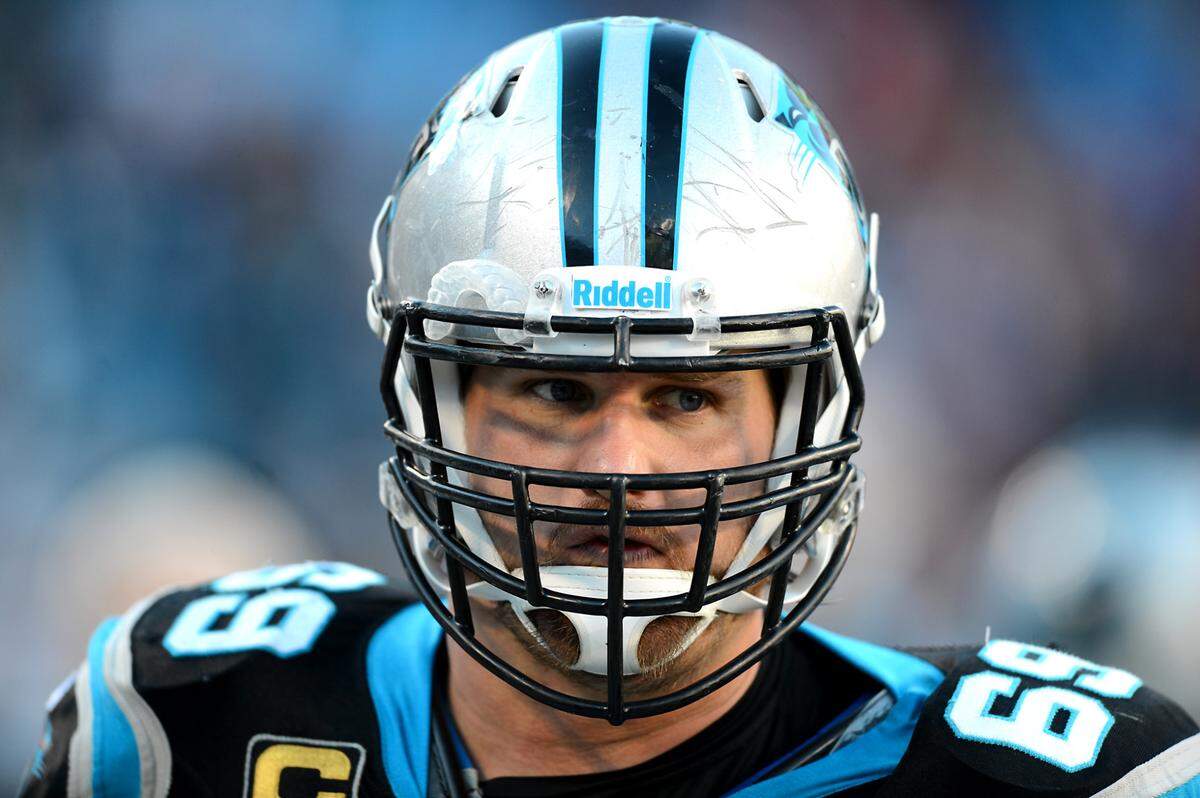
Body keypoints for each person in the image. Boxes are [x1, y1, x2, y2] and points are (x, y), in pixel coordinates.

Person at [19, 17, 1199, 798]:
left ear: (815, 408)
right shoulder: (192, 723)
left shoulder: (1070, 780)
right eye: (552, 387)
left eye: (689, 394)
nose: (620, 465)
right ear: (433, 398)